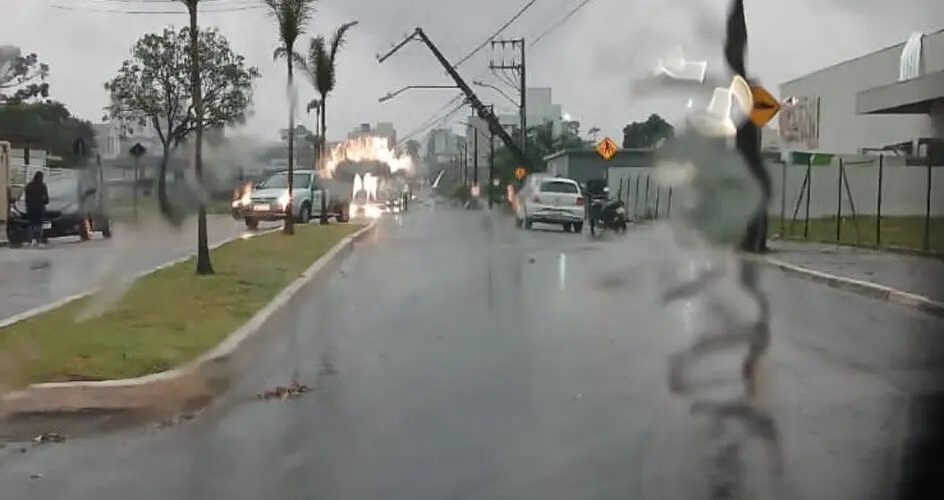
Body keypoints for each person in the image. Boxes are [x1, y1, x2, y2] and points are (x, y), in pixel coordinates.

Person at [24, 171, 49, 246]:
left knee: (31, 224)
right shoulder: (42, 186)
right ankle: (38, 240)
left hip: (30, 208)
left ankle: (29, 240)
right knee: (39, 225)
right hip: (39, 209)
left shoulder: (29, 186)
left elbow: (26, 199)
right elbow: (46, 200)